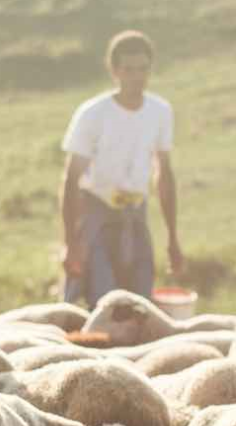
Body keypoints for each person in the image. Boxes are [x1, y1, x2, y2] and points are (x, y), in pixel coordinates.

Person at [59, 29, 185, 305]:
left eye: (143, 69)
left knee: (139, 302)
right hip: (97, 212)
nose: (136, 77)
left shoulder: (160, 111)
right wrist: (71, 243)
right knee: (101, 299)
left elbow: (164, 174)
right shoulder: (93, 114)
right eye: (128, 70)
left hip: (136, 213)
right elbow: (71, 179)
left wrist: (173, 238)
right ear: (114, 71)